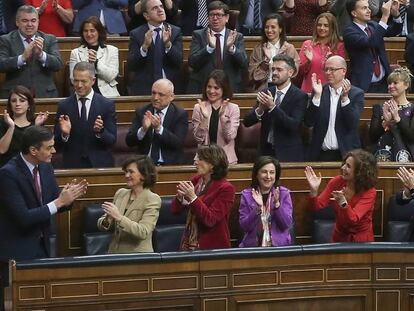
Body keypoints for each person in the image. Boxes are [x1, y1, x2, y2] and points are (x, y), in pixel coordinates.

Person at [0, 125, 87, 310]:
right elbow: (23, 217)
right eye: (49, 147)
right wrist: (59, 202)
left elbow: (55, 203)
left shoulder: (46, 168)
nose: (54, 151)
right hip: (17, 251)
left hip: (43, 246)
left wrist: (68, 198)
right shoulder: (8, 174)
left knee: (41, 302)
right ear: (33, 150)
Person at [243, 54, 308, 162]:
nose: (274, 73)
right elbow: (247, 122)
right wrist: (260, 110)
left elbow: (293, 125)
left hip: (288, 155)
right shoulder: (267, 92)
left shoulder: (300, 96)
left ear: (290, 72)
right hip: (265, 152)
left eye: (279, 70)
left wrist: (272, 107)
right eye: (273, 69)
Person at [305, 149, 378, 242]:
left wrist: (343, 203)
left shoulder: (370, 192)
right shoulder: (337, 182)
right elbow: (315, 207)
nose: (343, 168)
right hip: (340, 238)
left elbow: (353, 219)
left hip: (361, 240)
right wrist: (314, 191)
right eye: (344, 164)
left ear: (359, 172)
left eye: (348, 166)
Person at [171, 144, 235, 250]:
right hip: (189, 243)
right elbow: (174, 211)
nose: (195, 161)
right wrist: (180, 198)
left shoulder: (226, 188)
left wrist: (193, 198)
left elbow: (210, 220)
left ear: (213, 164)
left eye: (200, 158)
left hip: (213, 248)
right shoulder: (196, 180)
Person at [54, 61, 117, 168]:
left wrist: (100, 131)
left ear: (93, 81)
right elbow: (56, 144)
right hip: (72, 165)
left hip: (100, 165)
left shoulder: (106, 105)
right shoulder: (64, 106)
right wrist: (64, 134)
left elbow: (112, 141)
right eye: (76, 81)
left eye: (83, 81)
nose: (79, 85)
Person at [304, 55, 364, 161]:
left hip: (346, 154)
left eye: (332, 69)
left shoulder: (356, 94)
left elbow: (352, 124)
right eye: (326, 69)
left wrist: (345, 98)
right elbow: (308, 122)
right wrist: (317, 97)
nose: (328, 73)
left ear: (343, 71)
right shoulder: (319, 91)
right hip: (320, 154)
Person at [97, 156, 161, 253]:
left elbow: (143, 232)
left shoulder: (152, 199)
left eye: (131, 172)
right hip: (114, 254)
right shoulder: (120, 193)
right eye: (126, 171)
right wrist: (108, 220)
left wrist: (119, 217)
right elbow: (102, 224)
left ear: (144, 175)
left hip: (137, 258)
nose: (127, 175)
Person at [0, 5, 63, 98]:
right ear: (17, 22)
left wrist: (41, 55)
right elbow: (1, 65)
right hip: (15, 97)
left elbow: (58, 65)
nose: (29, 24)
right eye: (25, 21)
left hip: (45, 95)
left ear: (38, 22)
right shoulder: (6, 40)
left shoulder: (49, 39)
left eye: (33, 20)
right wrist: (22, 58)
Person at [186, 0, 248, 94]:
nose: (215, 18)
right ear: (208, 17)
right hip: (203, 87)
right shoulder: (198, 35)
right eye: (212, 15)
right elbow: (192, 62)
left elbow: (244, 63)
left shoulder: (236, 36)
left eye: (219, 15)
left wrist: (232, 48)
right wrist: (209, 48)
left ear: (226, 18)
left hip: (230, 87)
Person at [343, 0, 403, 93]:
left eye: (368, 7)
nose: (369, 10)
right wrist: (385, 16)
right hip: (364, 85)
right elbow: (371, 42)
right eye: (364, 8)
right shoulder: (349, 32)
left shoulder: (373, 25)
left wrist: (395, 14)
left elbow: (395, 31)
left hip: (384, 82)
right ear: (354, 13)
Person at [126, 79, 188, 165]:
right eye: (153, 93)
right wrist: (143, 130)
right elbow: (129, 142)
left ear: (171, 97)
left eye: (161, 95)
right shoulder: (142, 112)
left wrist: (159, 129)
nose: (155, 98)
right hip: (144, 165)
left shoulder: (179, 114)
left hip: (170, 166)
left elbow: (178, 143)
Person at [127, 0, 182, 96]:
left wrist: (168, 44)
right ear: (146, 15)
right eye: (155, 8)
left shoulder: (175, 31)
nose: (160, 10)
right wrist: (144, 47)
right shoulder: (136, 34)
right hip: (144, 88)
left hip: (169, 87)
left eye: (161, 6)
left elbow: (178, 61)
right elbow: (132, 65)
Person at [239, 156, 293, 248]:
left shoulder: (284, 193)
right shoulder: (247, 195)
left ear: (276, 175)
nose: (268, 176)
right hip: (253, 248)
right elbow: (245, 227)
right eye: (264, 172)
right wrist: (258, 208)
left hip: (278, 248)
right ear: (257, 174)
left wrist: (277, 205)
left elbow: (286, 224)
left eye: (272, 172)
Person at [192, 69, 240, 164]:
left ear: (224, 89)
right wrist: (204, 119)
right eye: (209, 87)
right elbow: (198, 139)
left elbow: (229, 137)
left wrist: (223, 118)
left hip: (226, 160)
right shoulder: (199, 107)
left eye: (216, 88)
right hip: (203, 160)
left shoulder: (233, 108)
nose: (211, 91)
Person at [369, 67, 414, 162]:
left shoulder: (412, 109)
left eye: (395, 83)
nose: (391, 86)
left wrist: (398, 119)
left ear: (406, 85)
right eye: (389, 83)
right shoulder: (379, 108)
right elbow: (372, 137)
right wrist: (386, 122)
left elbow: (411, 137)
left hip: (406, 155)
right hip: (382, 155)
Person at [69, 16, 120, 97]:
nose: (89, 34)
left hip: (107, 95)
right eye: (85, 31)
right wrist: (87, 65)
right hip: (83, 94)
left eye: (92, 31)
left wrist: (96, 63)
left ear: (99, 32)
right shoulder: (75, 52)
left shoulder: (112, 50)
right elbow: (73, 79)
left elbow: (111, 76)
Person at [248, 13, 299, 91]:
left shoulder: (289, 48)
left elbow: (294, 72)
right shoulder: (258, 49)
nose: (269, 30)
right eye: (266, 27)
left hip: (284, 89)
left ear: (280, 29)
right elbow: (253, 75)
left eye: (273, 27)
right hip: (263, 88)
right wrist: (266, 62)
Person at [0, 86, 49, 167]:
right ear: (10, 104)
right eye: (13, 101)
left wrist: (36, 127)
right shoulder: (4, 123)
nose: (17, 104)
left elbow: (40, 151)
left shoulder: (37, 123)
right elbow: (1, 150)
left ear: (29, 104)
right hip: (7, 169)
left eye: (22, 101)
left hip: (30, 168)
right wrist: (11, 127)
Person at [298, 12, 346, 94]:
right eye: (319, 25)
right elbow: (300, 72)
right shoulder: (308, 44)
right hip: (309, 90)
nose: (322, 28)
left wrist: (329, 62)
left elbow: (341, 73)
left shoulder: (339, 46)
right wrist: (308, 62)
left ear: (332, 28)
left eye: (326, 25)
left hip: (330, 92)